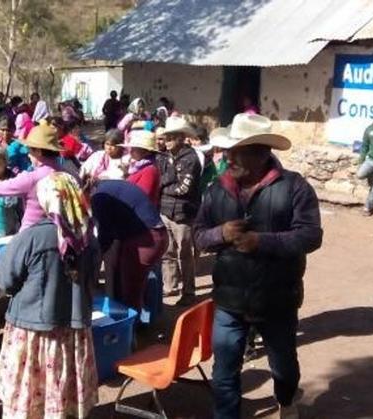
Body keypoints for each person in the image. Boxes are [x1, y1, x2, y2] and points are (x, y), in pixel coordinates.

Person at [194, 113, 323, 419]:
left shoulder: (294, 187)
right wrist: (220, 234)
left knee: (284, 368)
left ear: (262, 153)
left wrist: (262, 242)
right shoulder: (215, 190)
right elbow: (198, 237)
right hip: (229, 300)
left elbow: (311, 235)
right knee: (224, 372)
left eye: (238, 150)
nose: (229, 157)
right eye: (229, 149)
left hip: (277, 299)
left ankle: (288, 400)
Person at [0, 171, 98, 418]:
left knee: (31, 387)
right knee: (64, 384)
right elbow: (92, 281)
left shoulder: (30, 237)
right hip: (73, 326)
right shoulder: (88, 238)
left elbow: (5, 281)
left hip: (32, 327)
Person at [92, 179, 168, 310]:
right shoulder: (110, 186)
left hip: (145, 240)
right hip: (158, 235)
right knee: (142, 286)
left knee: (131, 291)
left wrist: (97, 257)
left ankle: (134, 327)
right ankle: (147, 320)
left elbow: (105, 233)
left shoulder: (99, 197)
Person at [0, 120, 65, 231]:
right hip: (59, 235)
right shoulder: (65, 173)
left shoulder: (31, 179)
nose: (28, 154)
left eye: (29, 149)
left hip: (32, 236)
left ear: (38, 151)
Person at [157, 115, 201, 305]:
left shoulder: (191, 158)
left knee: (185, 253)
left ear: (181, 138)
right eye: (166, 137)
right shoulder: (164, 157)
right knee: (167, 252)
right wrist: (168, 183)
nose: (166, 141)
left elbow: (184, 189)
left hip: (183, 212)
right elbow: (163, 181)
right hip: (165, 210)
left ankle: (189, 292)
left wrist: (164, 186)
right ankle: (170, 286)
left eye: (170, 137)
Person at [122, 129, 161, 206]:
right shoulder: (137, 167)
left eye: (134, 149)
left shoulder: (149, 170)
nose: (131, 152)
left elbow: (141, 196)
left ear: (146, 152)